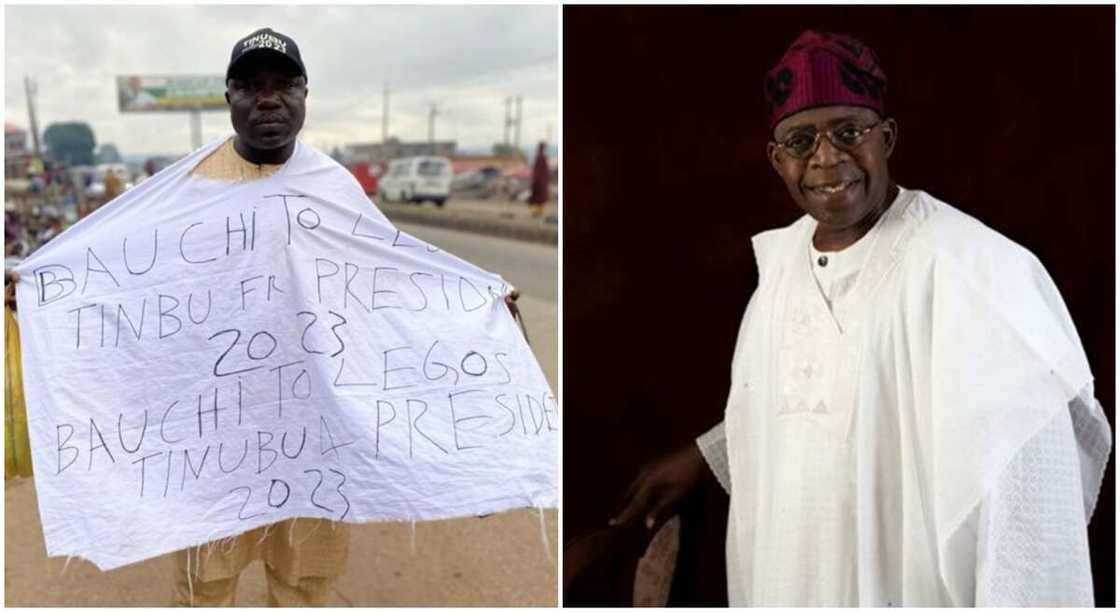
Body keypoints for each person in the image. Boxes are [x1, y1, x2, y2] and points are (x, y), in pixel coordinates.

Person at [6, 26, 521, 607]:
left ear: (305, 95)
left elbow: (393, 283)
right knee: (206, 586)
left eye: (284, 85)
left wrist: (474, 305)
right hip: (214, 438)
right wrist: (43, 292)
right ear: (230, 97)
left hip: (314, 436)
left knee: (305, 582)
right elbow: (120, 275)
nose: (268, 99)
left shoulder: (333, 188)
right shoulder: (185, 191)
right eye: (252, 86)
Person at [611, 30, 1110, 607]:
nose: (827, 158)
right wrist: (710, 456)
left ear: (886, 137)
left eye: (848, 132)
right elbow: (802, 415)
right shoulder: (782, 267)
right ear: (777, 159)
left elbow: (1027, 477)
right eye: (801, 140)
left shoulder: (972, 271)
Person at [528, 141, 550, 217]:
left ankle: (538, 212)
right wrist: (537, 180)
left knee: (539, 197)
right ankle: (537, 212)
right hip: (539, 181)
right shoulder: (540, 157)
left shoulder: (540, 157)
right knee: (538, 197)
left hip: (540, 181)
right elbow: (538, 171)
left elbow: (543, 170)